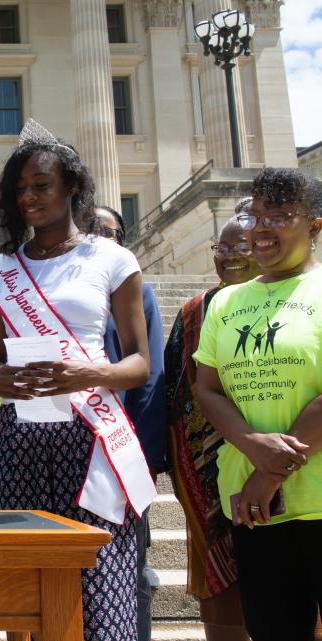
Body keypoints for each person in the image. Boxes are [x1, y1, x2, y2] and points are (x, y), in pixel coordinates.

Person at [0, 120, 153, 641]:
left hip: (92, 439)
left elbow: (141, 363)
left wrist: (90, 372)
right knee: (25, 597)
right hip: (19, 438)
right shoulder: (0, 270)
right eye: (21, 189)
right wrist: (1, 381)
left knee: (101, 592)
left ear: (72, 187)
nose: (30, 197)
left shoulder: (112, 259)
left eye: (42, 185)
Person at [194, 167, 322, 641]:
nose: (262, 228)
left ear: (315, 225)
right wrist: (251, 445)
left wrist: (267, 472)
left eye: (281, 216)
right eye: (255, 215)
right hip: (254, 508)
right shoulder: (226, 304)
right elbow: (208, 389)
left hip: (306, 496)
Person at [164, 208, 260, 641]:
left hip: (283, 461)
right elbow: (172, 389)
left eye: (240, 246)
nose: (230, 256)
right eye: (221, 247)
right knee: (221, 591)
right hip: (204, 473)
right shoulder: (193, 312)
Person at [90, 205, 166, 641]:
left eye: (111, 233)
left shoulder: (141, 292)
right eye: (94, 232)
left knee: (130, 564)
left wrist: (145, 456)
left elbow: (151, 379)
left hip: (122, 448)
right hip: (74, 449)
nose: (102, 240)